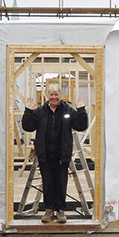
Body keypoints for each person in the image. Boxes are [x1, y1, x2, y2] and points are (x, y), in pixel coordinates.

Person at [22, 84, 88, 223]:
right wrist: (28, 111)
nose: (54, 97)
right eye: (51, 94)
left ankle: (61, 211)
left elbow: (81, 126)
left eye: (56, 94)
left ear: (60, 96)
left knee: (61, 183)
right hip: (45, 155)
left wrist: (81, 110)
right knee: (48, 183)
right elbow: (28, 127)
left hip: (61, 155)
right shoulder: (40, 112)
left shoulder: (67, 110)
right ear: (47, 96)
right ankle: (49, 210)